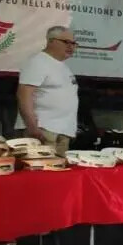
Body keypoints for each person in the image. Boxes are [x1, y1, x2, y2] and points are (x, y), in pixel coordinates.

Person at [14, 25, 79, 157]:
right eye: (66, 42)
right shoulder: (38, 62)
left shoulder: (63, 67)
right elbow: (24, 94)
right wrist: (32, 126)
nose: (71, 47)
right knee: (41, 172)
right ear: (51, 41)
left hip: (63, 131)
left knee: (58, 174)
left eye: (74, 43)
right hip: (43, 129)